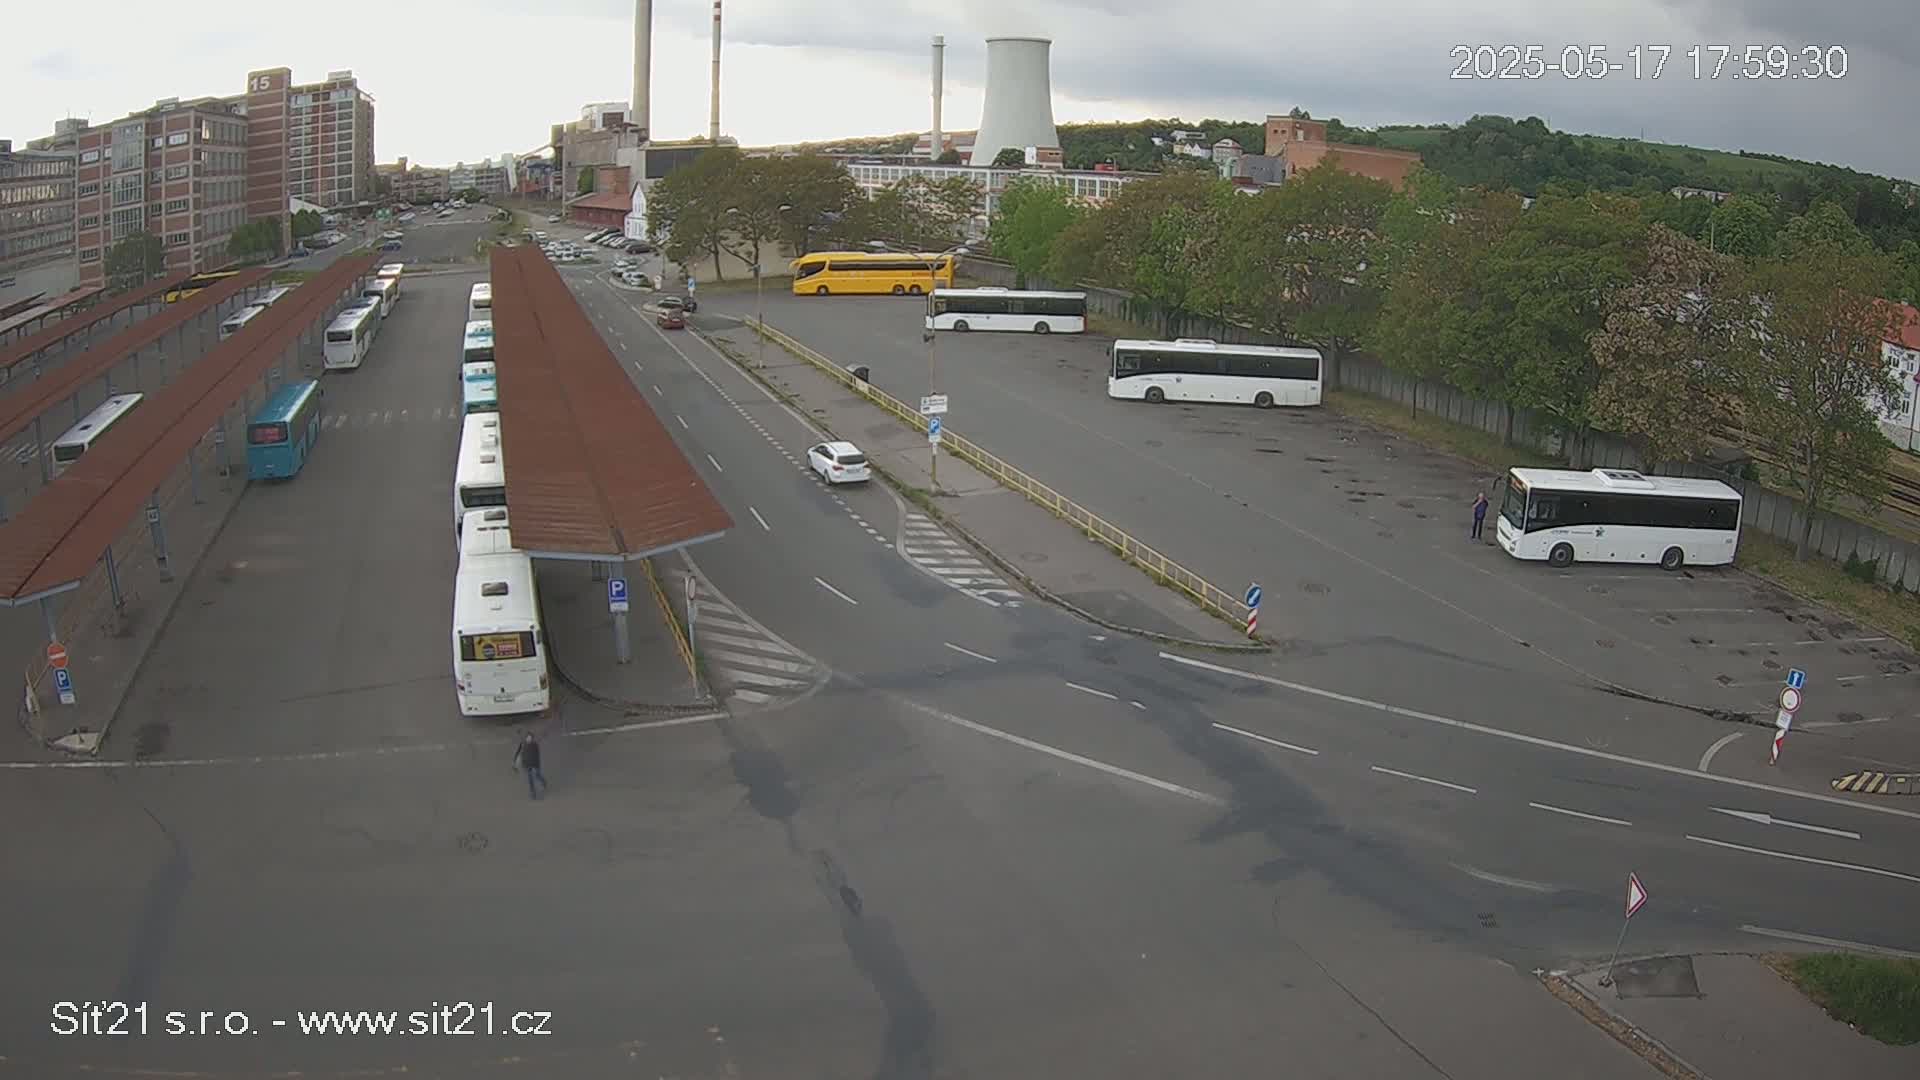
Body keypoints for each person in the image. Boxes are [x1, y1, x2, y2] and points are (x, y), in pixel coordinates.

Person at [512, 732, 546, 800]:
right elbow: (518, 753)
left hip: (535, 764)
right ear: (526, 738)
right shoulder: (523, 744)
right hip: (527, 765)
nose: (529, 739)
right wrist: (515, 763)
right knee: (530, 780)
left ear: (532, 739)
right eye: (528, 737)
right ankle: (533, 793)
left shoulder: (535, 745)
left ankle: (543, 782)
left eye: (530, 738)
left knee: (537, 775)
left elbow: (536, 755)